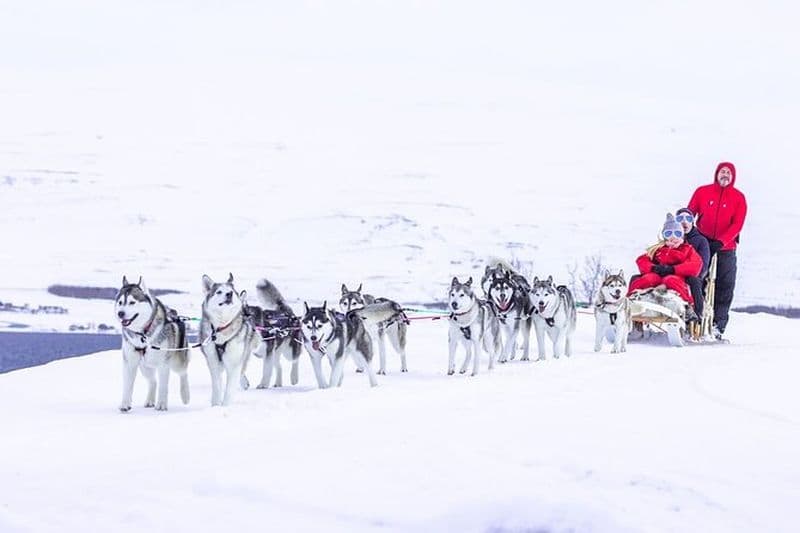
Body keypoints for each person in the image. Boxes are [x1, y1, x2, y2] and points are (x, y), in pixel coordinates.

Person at [688, 161, 747, 339]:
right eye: (723, 171)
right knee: (697, 280)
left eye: (729, 173)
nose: (725, 175)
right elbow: (690, 213)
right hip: (702, 243)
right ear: (716, 173)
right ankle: (694, 319)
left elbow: (737, 224)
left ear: (733, 176)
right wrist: (688, 232)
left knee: (725, 285)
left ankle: (718, 326)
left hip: (726, 247)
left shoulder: (739, 198)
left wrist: (721, 242)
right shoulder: (702, 192)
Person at [628, 213, 703, 319]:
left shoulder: (687, 249)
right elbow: (642, 260)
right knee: (648, 279)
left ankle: (687, 307)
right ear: (664, 236)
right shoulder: (658, 249)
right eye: (669, 233)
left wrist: (673, 269)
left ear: (681, 235)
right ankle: (630, 301)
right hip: (657, 275)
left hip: (677, 276)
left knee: (670, 280)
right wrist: (653, 268)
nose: (673, 237)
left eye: (677, 233)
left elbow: (695, 264)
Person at [675, 207, 710, 321]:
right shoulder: (671, 237)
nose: (684, 221)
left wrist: (684, 271)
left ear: (692, 221)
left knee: (694, 281)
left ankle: (697, 314)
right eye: (680, 218)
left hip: (692, 276)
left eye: (688, 218)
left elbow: (703, 267)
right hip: (672, 274)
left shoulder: (701, 240)